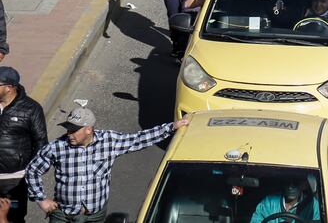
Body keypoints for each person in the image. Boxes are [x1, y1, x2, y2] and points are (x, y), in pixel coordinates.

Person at [26, 106, 188, 222]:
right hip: (63, 215)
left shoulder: (109, 141)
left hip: (94, 216)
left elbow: (138, 139)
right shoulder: (57, 147)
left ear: (88, 129)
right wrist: (41, 199)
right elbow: (33, 170)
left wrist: (171, 127)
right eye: (68, 129)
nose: (69, 134)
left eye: (74, 130)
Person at [0, 67, 47, 223]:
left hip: (15, 180)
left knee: (14, 218)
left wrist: (31, 172)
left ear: (9, 87)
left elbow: (41, 143)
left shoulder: (31, 109)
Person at [250, 182, 319, 223]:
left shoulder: (312, 204)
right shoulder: (269, 202)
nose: (291, 187)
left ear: (304, 185)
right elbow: (256, 220)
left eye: (296, 182)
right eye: (288, 182)